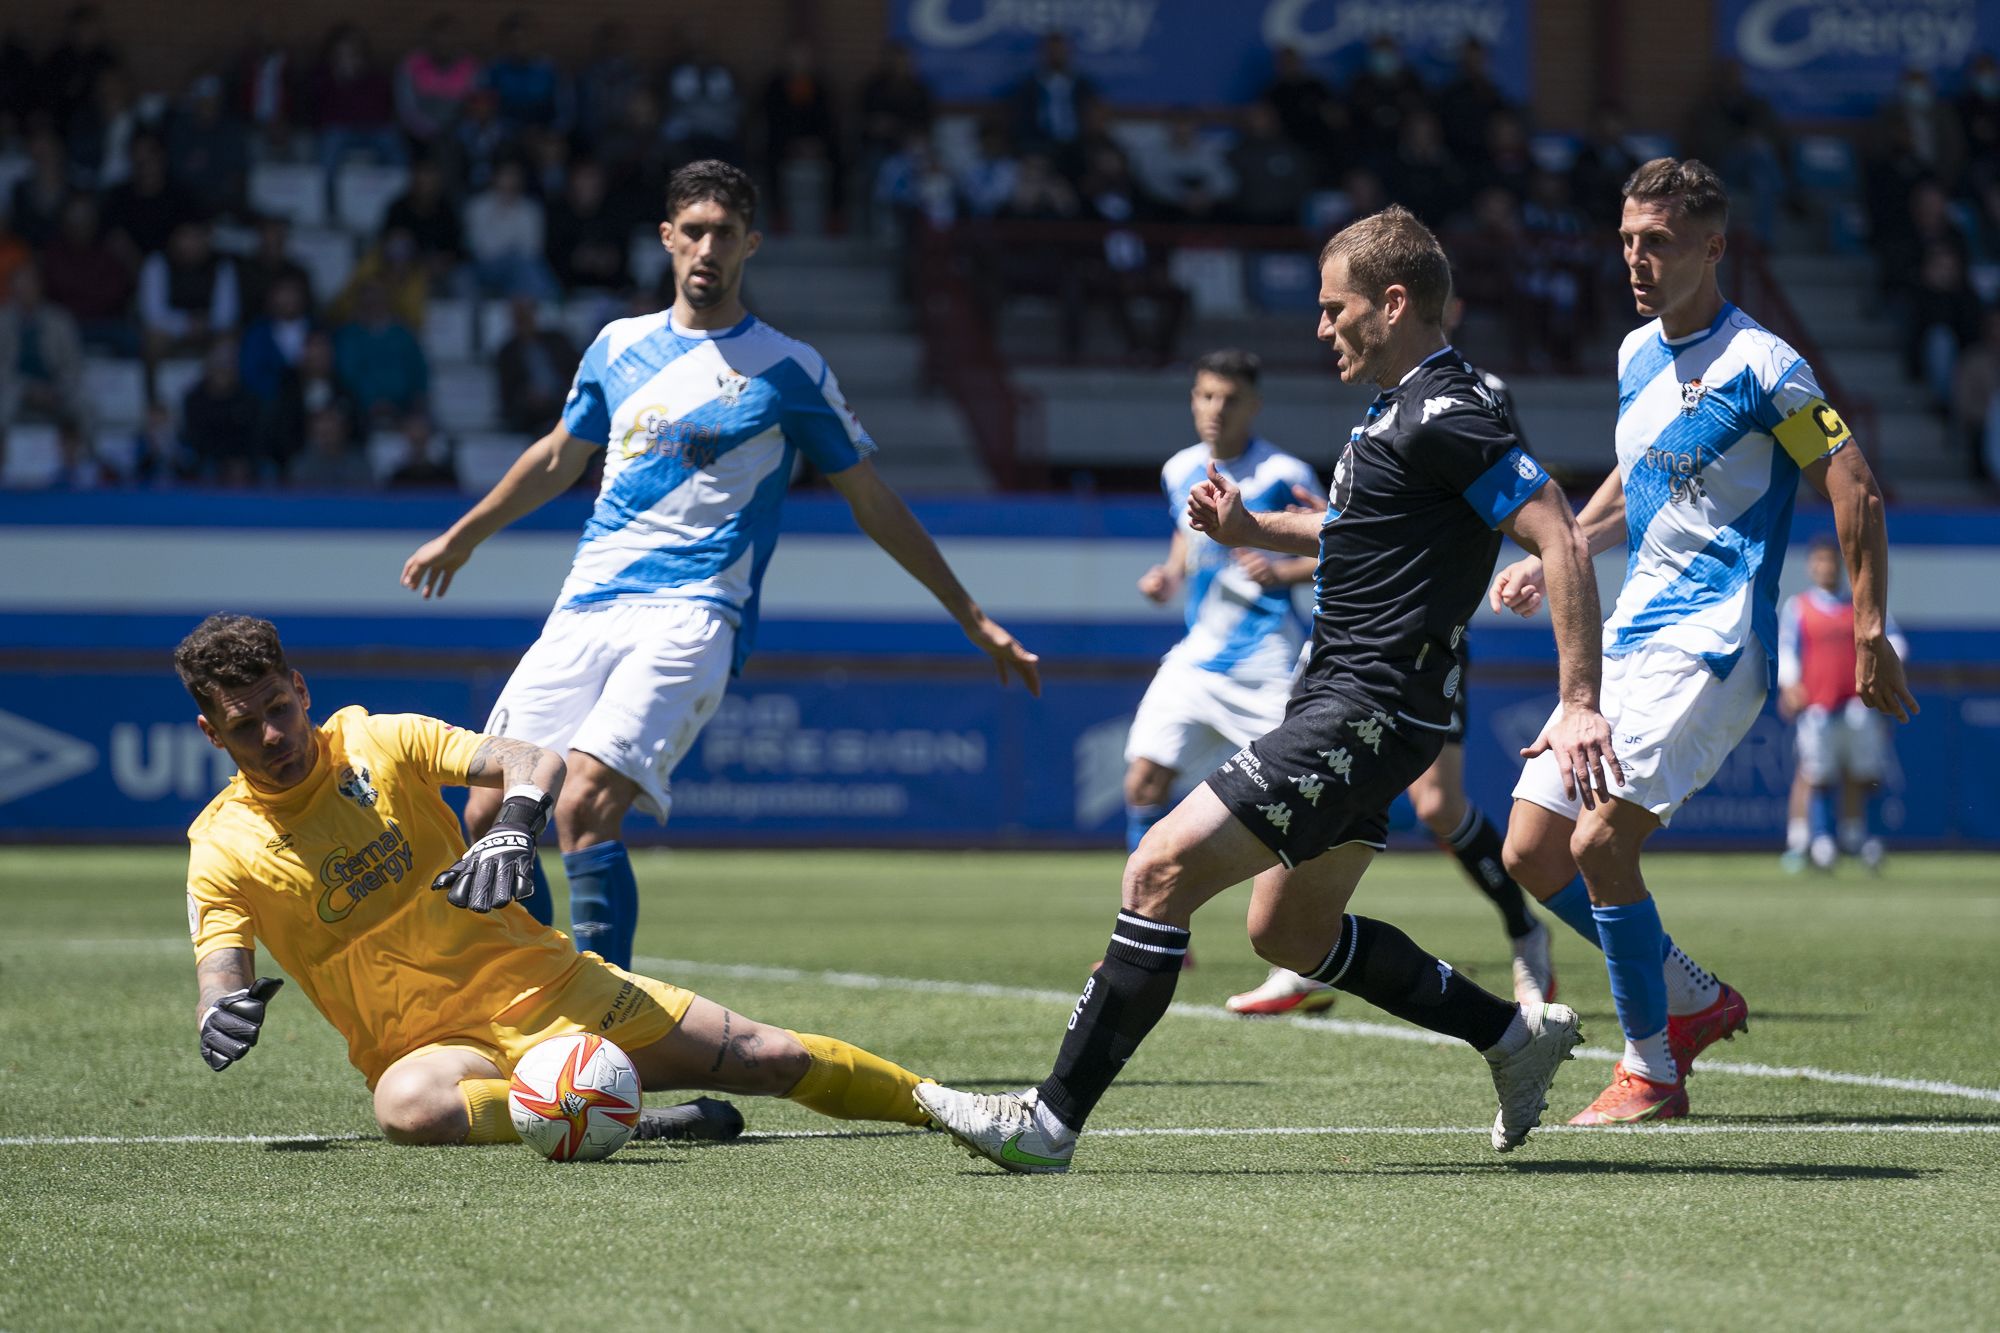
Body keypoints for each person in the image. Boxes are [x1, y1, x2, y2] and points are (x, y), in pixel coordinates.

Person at [915, 206, 1618, 1173]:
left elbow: (1559, 532)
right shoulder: (1395, 411)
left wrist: (1578, 699)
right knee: (1288, 928)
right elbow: (1355, 535)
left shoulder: (1448, 410)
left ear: (1395, 301)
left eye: (1336, 310)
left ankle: (1048, 1120)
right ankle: (1512, 1036)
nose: (1321, 329)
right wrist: (1250, 528)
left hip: (1365, 709)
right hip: (1357, 706)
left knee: (1157, 869)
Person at [399, 160, 1040, 970]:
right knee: (488, 811)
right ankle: (541, 1003)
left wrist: (972, 616)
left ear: (751, 245)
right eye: (693, 230)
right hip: (588, 604)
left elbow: (873, 501)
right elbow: (561, 456)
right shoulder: (615, 345)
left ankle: (608, 1025)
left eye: (725, 233)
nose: (707, 247)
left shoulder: (789, 369)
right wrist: (464, 534)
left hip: (695, 610)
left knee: (585, 805)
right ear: (666, 238)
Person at [1490, 159, 1916, 1126]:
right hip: (1629, 635)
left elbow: (1855, 488)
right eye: (1629, 240)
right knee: (1529, 851)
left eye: (1660, 242)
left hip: (1713, 644)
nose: (1637, 259)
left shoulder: (1768, 365)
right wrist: (1567, 544)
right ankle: (1690, 997)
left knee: (1600, 840)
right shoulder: (1637, 351)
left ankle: (1652, 1070)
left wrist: (1869, 625)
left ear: (1714, 247)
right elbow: (1637, 478)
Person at [176, 614, 937, 1148]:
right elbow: (221, 969)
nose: (274, 735)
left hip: (553, 988)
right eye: (246, 725)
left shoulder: (378, 738)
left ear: (301, 687)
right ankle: (623, 1114)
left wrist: (514, 822)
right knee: (408, 1109)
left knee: (772, 1057)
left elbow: (532, 760)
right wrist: (220, 1011)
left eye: (279, 707)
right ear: (212, 732)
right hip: (435, 1051)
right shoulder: (220, 845)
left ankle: (951, 1107)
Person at [1226, 353, 1559, 1017]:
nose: (1328, 331)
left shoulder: (1472, 394)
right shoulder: (1387, 394)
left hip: (1423, 638)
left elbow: (1506, 503)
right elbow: (1375, 525)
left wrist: (1531, 566)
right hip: (1354, 644)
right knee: (1322, 778)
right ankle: (1304, 948)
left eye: (1340, 309)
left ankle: (1525, 930)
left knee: (1436, 804)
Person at [1778, 536, 1908, 872]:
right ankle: (1819, 841)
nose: (1826, 567)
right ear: (1811, 566)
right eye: (1819, 561)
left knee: (1862, 771)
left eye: (1831, 561)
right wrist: (1790, 684)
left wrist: (1885, 668)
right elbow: (1787, 650)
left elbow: (1894, 641)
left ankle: (1858, 838)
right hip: (1817, 705)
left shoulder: (1862, 605)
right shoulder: (1799, 606)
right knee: (1817, 772)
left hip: (1857, 704)